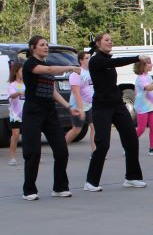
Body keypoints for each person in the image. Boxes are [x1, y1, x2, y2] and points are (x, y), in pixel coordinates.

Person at [84, 33, 150, 192]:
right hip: (102, 107)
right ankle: (91, 182)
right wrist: (137, 57)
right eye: (106, 40)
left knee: (132, 139)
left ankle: (132, 177)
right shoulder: (96, 60)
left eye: (111, 40)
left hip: (117, 105)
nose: (110, 42)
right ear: (98, 44)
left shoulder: (107, 60)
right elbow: (117, 62)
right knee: (103, 144)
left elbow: (113, 62)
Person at [21, 35, 81, 201]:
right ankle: (29, 190)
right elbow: (47, 71)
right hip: (33, 111)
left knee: (61, 150)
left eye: (47, 44)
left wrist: (69, 107)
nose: (46, 47)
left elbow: (52, 91)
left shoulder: (47, 65)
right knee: (33, 152)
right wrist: (69, 67)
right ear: (33, 48)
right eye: (42, 45)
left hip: (50, 111)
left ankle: (60, 187)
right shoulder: (30, 64)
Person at [65, 52, 96, 152]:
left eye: (90, 58)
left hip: (90, 105)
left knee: (94, 127)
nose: (90, 60)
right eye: (87, 58)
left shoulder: (92, 72)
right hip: (77, 106)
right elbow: (76, 92)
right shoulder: (76, 73)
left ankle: (95, 152)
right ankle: (60, 148)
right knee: (77, 130)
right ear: (81, 61)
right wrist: (81, 109)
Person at [7, 63, 25, 166]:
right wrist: (19, 93)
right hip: (15, 114)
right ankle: (12, 158)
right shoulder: (12, 85)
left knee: (31, 135)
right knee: (16, 135)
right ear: (16, 72)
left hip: (27, 113)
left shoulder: (27, 83)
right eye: (22, 71)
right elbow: (12, 95)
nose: (23, 73)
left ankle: (33, 155)